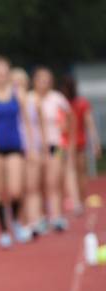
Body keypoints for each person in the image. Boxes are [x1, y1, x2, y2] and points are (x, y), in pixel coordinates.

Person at [0, 56, 33, 248]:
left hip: (15, 147)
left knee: (17, 189)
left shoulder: (18, 94)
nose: (1, 76)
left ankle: (16, 221)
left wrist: (32, 147)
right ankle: (3, 231)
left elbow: (27, 122)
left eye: (4, 72)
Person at [33, 67, 73, 232]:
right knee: (39, 182)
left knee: (54, 181)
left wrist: (66, 130)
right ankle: (41, 217)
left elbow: (70, 117)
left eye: (47, 79)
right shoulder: (29, 98)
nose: (44, 82)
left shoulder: (57, 98)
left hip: (56, 144)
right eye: (41, 79)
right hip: (35, 146)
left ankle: (56, 216)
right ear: (34, 81)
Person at [11, 67, 45, 238]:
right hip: (15, 147)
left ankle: (35, 220)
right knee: (18, 189)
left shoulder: (33, 99)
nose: (17, 85)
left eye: (20, 81)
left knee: (33, 187)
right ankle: (20, 221)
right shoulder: (8, 100)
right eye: (14, 82)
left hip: (32, 146)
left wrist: (37, 147)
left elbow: (39, 124)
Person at [61, 75, 102, 213]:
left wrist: (95, 143)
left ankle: (80, 199)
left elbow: (89, 124)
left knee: (79, 172)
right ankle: (75, 199)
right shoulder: (61, 103)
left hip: (77, 143)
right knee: (68, 171)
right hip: (63, 144)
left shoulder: (81, 103)